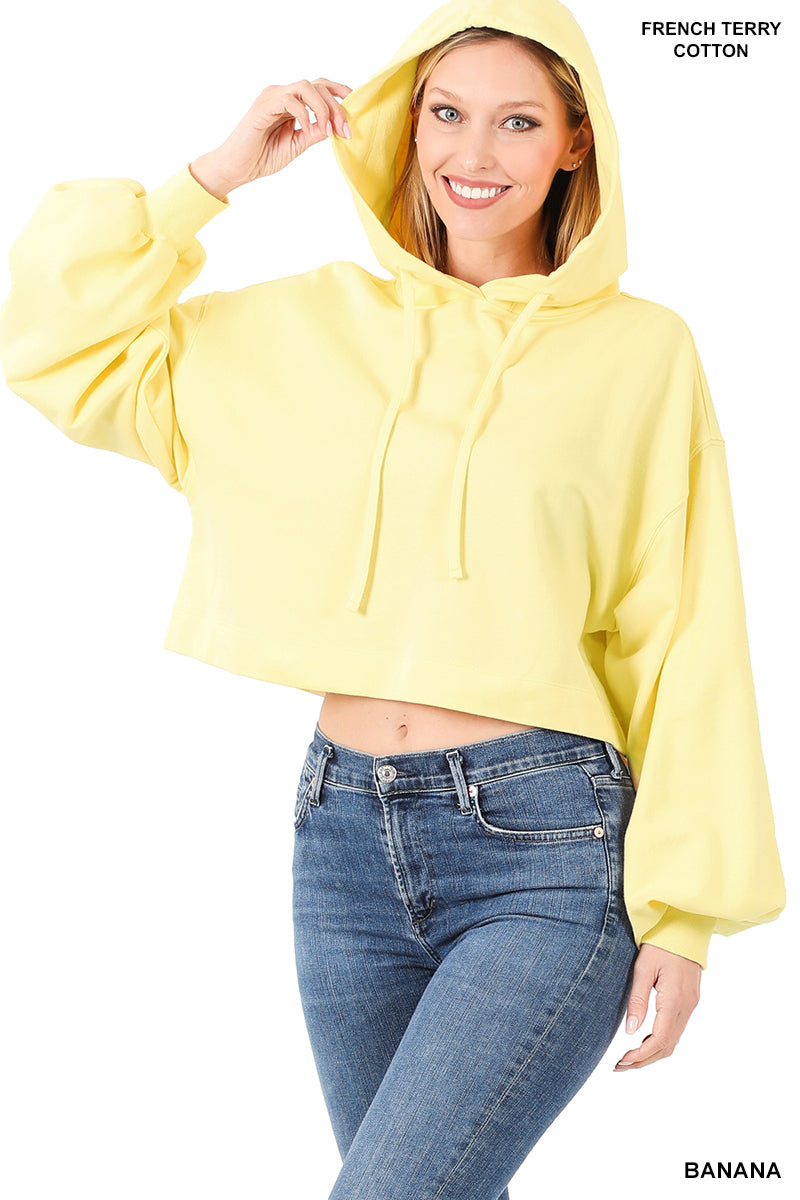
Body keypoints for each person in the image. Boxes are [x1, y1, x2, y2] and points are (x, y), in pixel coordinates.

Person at [0, 0, 787, 1196]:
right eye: (446, 114)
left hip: (546, 844)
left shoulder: (640, 351)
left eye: (516, 122)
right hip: (340, 840)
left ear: (573, 140)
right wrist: (212, 179)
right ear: (405, 128)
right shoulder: (303, 324)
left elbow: (683, 628)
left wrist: (684, 915)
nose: (474, 153)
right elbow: (51, 343)